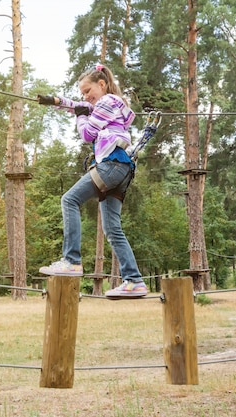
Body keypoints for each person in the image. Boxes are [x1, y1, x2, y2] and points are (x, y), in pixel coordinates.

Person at [36, 64, 148, 299]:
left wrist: (80, 118)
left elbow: (87, 133)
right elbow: (79, 107)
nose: (86, 96)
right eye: (83, 93)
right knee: (113, 229)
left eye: (88, 90)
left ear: (102, 84)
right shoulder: (107, 105)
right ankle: (134, 280)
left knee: (69, 200)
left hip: (112, 165)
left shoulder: (107, 101)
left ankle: (72, 261)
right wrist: (55, 101)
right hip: (122, 171)